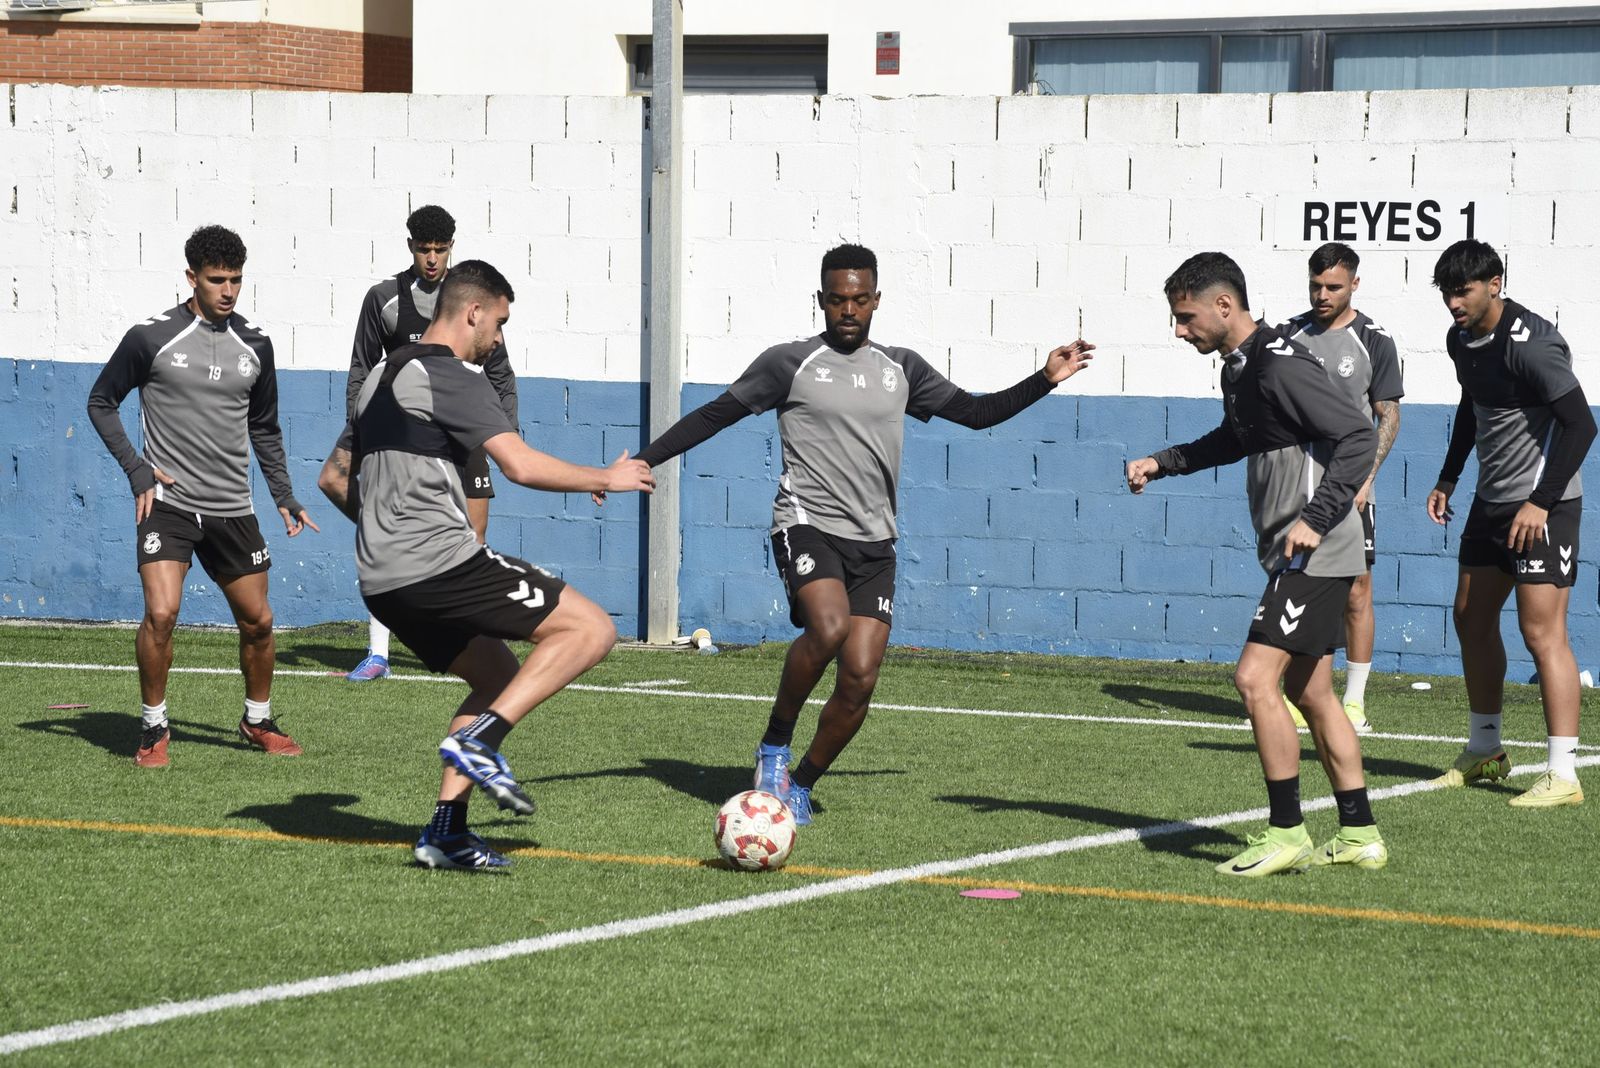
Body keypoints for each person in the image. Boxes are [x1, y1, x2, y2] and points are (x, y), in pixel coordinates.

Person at [633, 243, 1094, 825]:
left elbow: (977, 414)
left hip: (875, 544)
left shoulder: (902, 368)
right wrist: (644, 461)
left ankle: (800, 785)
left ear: (876, 300)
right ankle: (775, 745)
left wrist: (1045, 378)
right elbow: (715, 414)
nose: (847, 309)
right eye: (836, 300)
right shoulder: (788, 363)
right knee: (827, 628)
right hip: (806, 524)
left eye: (859, 299)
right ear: (820, 300)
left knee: (860, 677)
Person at [316, 260, 654, 870]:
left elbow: (333, 479)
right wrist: (609, 476)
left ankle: (444, 833)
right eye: (498, 323)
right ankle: (482, 741)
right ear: (473, 311)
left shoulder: (376, 380)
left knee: (497, 675)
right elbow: (520, 466)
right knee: (591, 629)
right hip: (439, 566)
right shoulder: (454, 377)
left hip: (382, 585)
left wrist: (384, 534)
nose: (497, 339)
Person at [1126, 251, 1385, 876]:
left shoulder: (1279, 363)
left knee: (1253, 680)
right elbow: (1235, 439)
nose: (1180, 331)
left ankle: (1287, 832)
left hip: (1316, 552)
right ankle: (1358, 833)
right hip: (1297, 550)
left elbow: (1358, 435)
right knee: (1310, 689)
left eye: (1186, 318)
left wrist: (1316, 519)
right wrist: (1164, 461)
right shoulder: (1243, 368)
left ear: (1223, 305)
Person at [87, 224, 318, 768]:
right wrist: (138, 471)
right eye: (217, 280)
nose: (229, 291)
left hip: (234, 509)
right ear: (191, 277)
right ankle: (152, 727)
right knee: (162, 613)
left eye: (236, 280)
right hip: (167, 506)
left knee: (259, 622)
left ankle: (256, 720)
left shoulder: (255, 344)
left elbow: (264, 427)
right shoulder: (151, 337)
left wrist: (282, 493)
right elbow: (102, 401)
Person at [1426, 240, 1594, 808]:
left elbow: (1581, 426)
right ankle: (1486, 749)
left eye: (1463, 290)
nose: (1453, 302)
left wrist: (1541, 502)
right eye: (1447, 292)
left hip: (1544, 506)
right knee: (1470, 617)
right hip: (1492, 502)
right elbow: (1471, 408)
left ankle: (1563, 775)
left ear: (1494, 283)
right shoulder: (1460, 339)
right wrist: (1448, 477)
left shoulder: (1534, 345)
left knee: (1540, 632)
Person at [337, 205, 520, 681]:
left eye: (440, 249)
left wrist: (507, 437)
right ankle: (379, 652)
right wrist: (362, 431)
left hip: (463, 431)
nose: (432, 259)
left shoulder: (470, 302)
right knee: (375, 521)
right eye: (424, 249)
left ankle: (462, 641)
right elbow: (361, 369)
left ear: (452, 248)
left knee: (473, 539)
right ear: (411, 248)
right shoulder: (386, 300)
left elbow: (500, 374)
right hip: (402, 434)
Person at [1278, 242, 1404, 733]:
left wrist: (1366, 477)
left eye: (1333, 286)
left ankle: (1354, 702)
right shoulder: (1289, 336)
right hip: (1298, 484)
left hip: (1350, 487)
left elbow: (1388, 414)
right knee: (1299, 585)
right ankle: (1303, 692)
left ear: (1355, 283)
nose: (1322, 294)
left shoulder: (1373, 339)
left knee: (1356, 590)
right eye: (1315, 285)